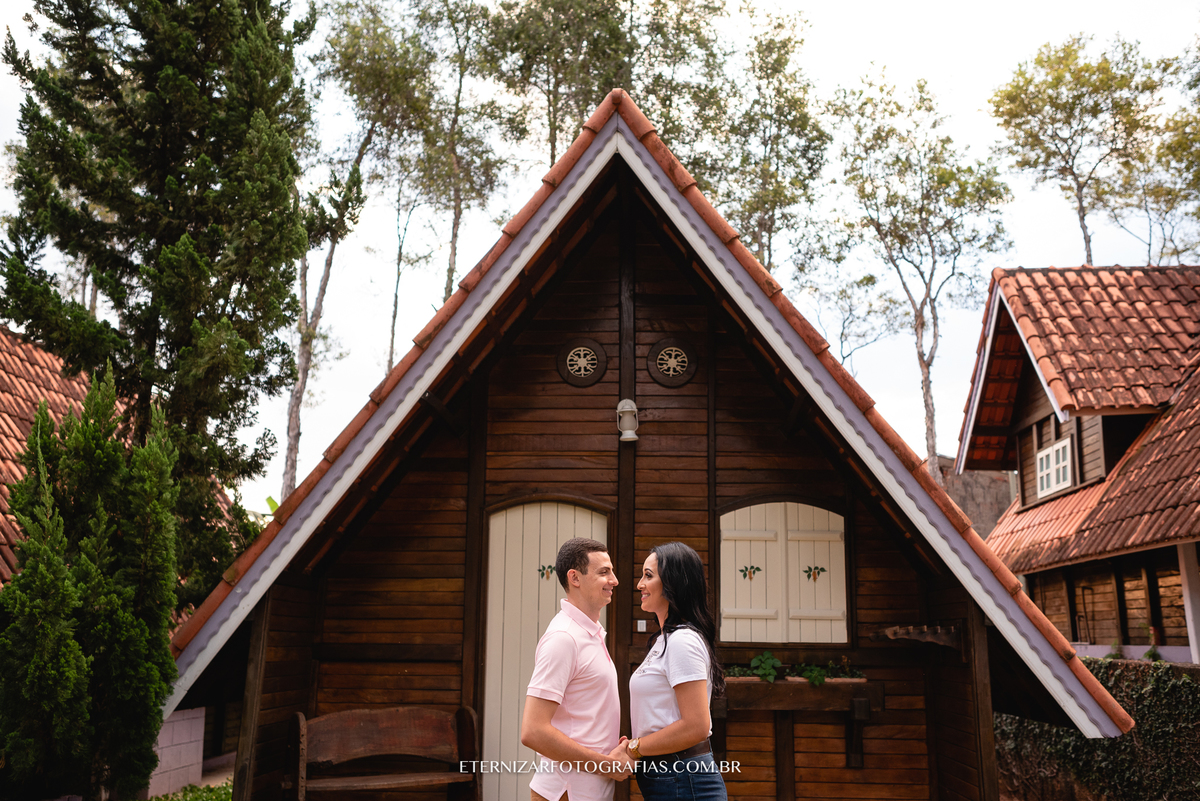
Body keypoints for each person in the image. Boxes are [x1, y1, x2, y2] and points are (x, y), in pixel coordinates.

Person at [610, 542, 728, 800]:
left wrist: (633, 748)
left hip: (683, 777)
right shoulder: (665, 640)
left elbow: (696, 726)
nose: (640, 584)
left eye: (648, 576)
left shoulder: (682, 641)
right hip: (671, 775)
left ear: (674, 583)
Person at [521, 537, 633, 801]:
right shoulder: (564, 638)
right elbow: (533, 731)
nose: (614, 580)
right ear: (575, 578)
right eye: (604, 572)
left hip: (589, 790)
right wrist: (606, 765)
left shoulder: (589, 634)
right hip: (566, 790)